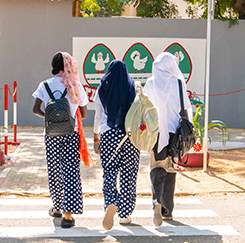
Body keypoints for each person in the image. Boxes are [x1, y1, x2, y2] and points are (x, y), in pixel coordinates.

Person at [32, 52, 90, 228]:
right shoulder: (75, 85)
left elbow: (35, 109)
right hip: (71, 133)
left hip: (51, 135)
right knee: (71, 171)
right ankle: (68, 215)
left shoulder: (44, 85)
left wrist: (49, 118)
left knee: (54, 170)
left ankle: (57, 207)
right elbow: (85, 114)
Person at [144, 52, 192, 227]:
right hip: (175, 134)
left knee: (157, 167)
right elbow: (185, 109)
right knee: (171, 169)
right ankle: (167, 211)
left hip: (156, 133)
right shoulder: (178, 83)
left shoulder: (150, 83)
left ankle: (156, 201)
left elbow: (144, 107)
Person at [93, 60, 140, 230]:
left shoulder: (102, 87)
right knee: (129, 173)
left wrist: (96, 136)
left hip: (108, 133)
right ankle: (125, 214)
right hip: (130, 135)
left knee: (110, 172)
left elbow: (98, 115)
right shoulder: (132, 86)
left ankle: (111, 204)